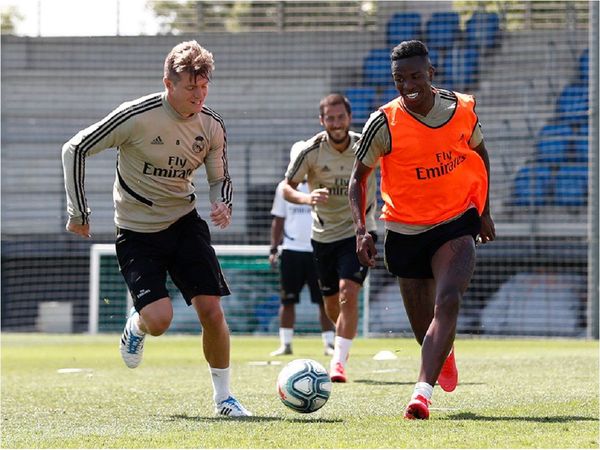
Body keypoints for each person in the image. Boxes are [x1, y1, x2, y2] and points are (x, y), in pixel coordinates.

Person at [61, 40, 251, 417]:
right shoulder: (136, 116)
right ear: (168, 83)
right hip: (136, 231)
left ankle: (224, 400)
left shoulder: (211, 124)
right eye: (190, 87)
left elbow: (220, 177)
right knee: (160, 321)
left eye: (203, 87)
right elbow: (75, 149)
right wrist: (79, 211)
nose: (198, 95)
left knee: (211, 311)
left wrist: (223, 201)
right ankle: (138, 324)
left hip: (185, 223)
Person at [348, 40, 496, 419]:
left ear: (431, 73)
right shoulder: (382, 122)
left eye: (415, 75)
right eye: (400, 78)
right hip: (405, 230)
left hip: (456, 222)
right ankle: (443, 352)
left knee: (448, 300)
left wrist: (484, 211)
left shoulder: (461, 108)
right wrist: (360, 230)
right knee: (424, 327)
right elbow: (357, 180)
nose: (408, 84)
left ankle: (421, 394)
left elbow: (481, 154)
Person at [282, 93, 378, 382]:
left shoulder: (366, 145)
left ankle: (338, 363)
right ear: (322, 120)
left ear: (349, 117)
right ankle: (342, 341)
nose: (336, 123)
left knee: (349, 292)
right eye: (330, 118)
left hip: (360, 231)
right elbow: (287, 187)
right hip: (323, 235)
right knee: (332, 303)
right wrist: (306, 197)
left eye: (341, 117)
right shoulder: (311, 151)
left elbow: (395, 168)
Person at [269, 141, 336, 357]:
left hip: (319, 248)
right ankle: (285, 343)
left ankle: (329, 343)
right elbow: (278, 220)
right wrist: (273, 248)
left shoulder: (323, 184)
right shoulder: (284, 188)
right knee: (287, 300)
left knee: (324, 300)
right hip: (291, 251)